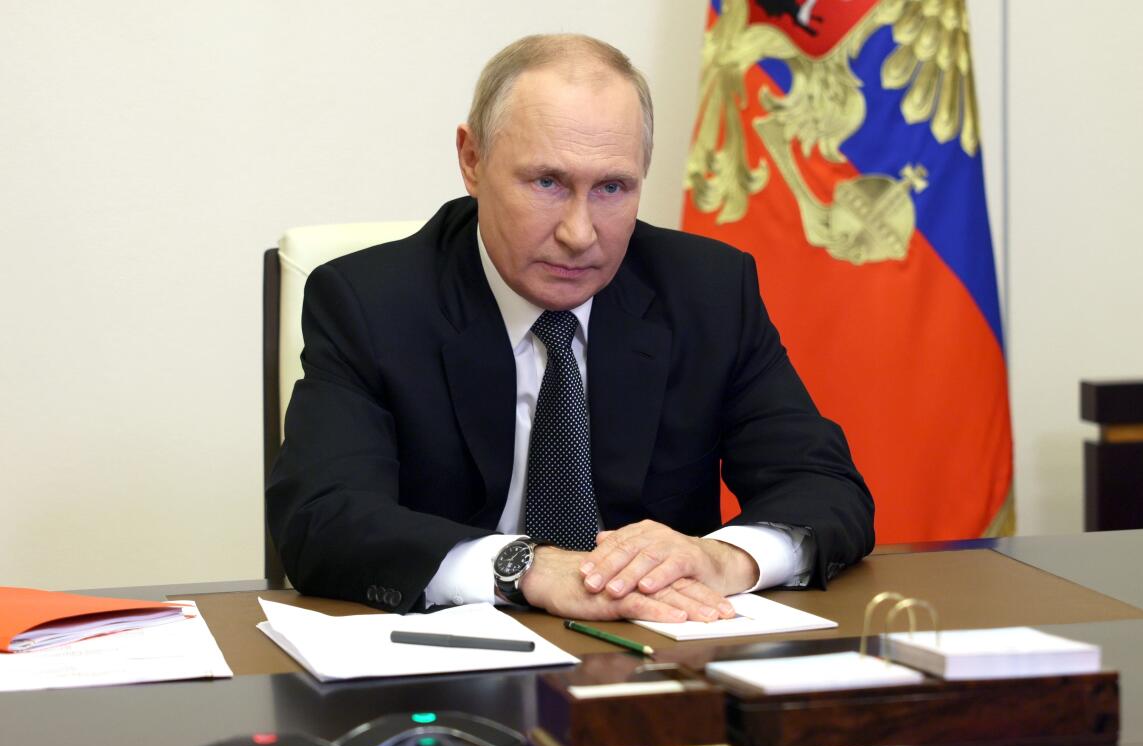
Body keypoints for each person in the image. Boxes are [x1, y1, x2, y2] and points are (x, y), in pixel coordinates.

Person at [266, 33, 873, 623]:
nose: (580, 234)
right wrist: (526, 568)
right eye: (547, 183)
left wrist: (722, 558)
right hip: (456, 664)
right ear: (472, 160)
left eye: (612, 188)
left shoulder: (708, 291)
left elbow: (825, 489)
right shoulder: (370, 302)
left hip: (653, 655)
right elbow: (323, 518)